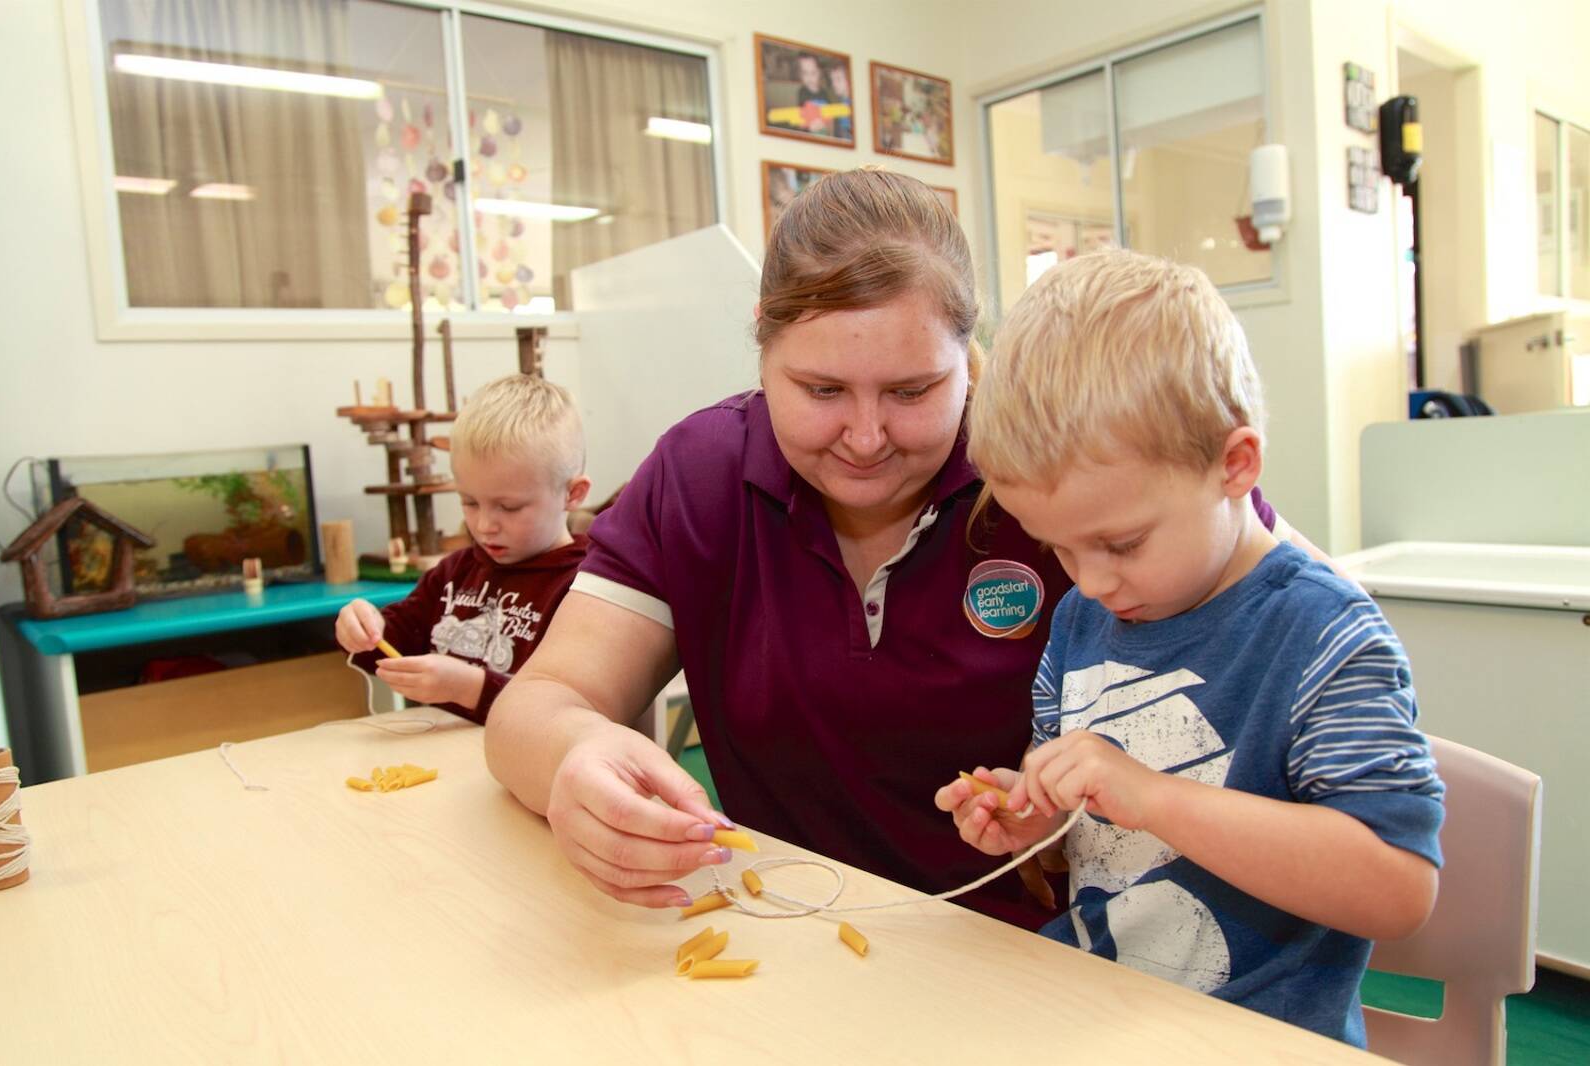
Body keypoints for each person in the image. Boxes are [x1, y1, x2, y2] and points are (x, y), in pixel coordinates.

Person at [484, 169, 1307, 929]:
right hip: (788, 934)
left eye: (914, 391)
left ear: (969, 362)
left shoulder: (1061, 465)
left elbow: (1309, 623)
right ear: (762, 350)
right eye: (822, 390)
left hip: (1050, 961)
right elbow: (537, 704)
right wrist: (574, 754)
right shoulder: (698, 476)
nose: (867, 437)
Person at [936, 250, 1444, 1045]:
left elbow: (1399, 889)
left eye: (1122, 543)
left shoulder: (1324, 636)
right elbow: (1089, 840)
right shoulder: (1080, 620)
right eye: (1060, 548)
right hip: (1098, 1020)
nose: (1091, 580)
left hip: (1257, 1040)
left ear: (1235, 466)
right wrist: (1038, 817)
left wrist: (1153, 798)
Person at [335, 374, 591, 724]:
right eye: (469, 502)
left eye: (509, 507)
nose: (484, 525)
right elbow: (394, 643)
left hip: (527, 754)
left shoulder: (586, 589)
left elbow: (574, 710)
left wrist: (471, 688)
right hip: (442, 753)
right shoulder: (455, 571)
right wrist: (363, 630)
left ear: (572, 494)